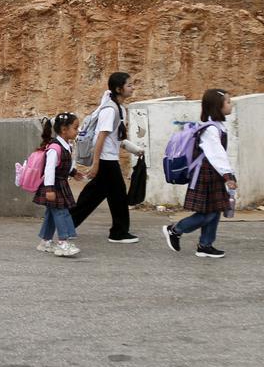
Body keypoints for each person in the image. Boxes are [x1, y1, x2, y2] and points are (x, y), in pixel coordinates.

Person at [163, 89, 238, 259]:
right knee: (208, 213)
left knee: (215, 210)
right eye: (228, 102)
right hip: (206, 175)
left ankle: (205, 245)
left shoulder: (217, 126)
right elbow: (216, 155)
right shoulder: (210, 129)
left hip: (213, 174)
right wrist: (229, 176)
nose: (231, 104)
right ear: (218, 106)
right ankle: (175, 229)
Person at [71, 72, 146, 243]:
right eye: (129, 85)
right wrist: (96, 163)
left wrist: (134, 149)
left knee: (95, 195)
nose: (133, 88)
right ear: (119, 89)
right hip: (106, 160)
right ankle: (118, 232)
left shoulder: (120, 109)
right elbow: (101, 137)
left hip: (109, 159)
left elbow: (115, 138)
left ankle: (67, 223)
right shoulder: (110, 110)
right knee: (116, 195)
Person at [34, 113, 85, 257]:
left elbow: (62, 165)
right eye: (75, 128)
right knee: (62, 213)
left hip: (60, 184)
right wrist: (49, 189)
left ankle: (45, 241)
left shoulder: (66, 146)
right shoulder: (55, 148)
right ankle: (63, 242)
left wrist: (73, 173)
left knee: (52, 213)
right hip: (54, 186)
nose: (77, 131)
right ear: (64, 129)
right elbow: (49, 169)